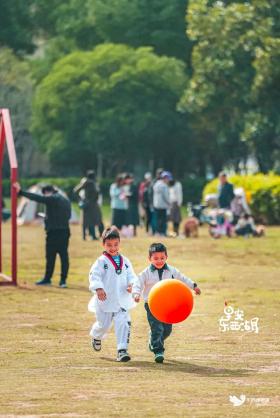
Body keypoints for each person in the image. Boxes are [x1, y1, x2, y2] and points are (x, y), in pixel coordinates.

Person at [132, 243, 201, 363]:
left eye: (162, 258)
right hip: (152, 305)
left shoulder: (172, 270)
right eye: (156, 258)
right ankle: (158, 350)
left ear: (166, 257)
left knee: (167, 330)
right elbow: (138, 283)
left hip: (168, 305)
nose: (159, 261)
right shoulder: (146, 272)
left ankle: (153, 340)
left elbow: (182, 278)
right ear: (150, 259)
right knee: (157, 328)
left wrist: (193, 286)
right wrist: (136, 294)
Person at [88, 226, 137, 362]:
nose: (113, 248)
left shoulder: (125, 261)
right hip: (105, 300)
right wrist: (98, 288)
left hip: (121, 299)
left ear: (119, 243)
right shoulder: (101, 262)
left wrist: (131, 284)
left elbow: (131, 276)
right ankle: (96, 336)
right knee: (103, 325)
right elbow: (94, 276)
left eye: (115, 244)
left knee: (123, 322)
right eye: (109, 245)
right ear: (103, 245)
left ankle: (122, 350)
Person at [14, 182, 71, 287]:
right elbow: (67, 216)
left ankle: (47, 279)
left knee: (50, 257)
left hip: (53, 232)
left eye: (44, 194)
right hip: (64, 231)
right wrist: (48, 217)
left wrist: (21, 192)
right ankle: (63, 281)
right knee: (64, 257)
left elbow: (38, 198)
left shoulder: (52, 198)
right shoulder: (65, 199)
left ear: (47, 192)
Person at [74, 170, 104, 240]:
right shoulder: (87, 182)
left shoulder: (93, 182)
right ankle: (86, 236)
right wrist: (81, 199)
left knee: (93, 220)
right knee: (87, 221)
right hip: (88, 204)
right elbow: (76, 190)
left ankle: (94, 235)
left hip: (93, 204)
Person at [153, 171, 171, 235]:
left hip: (156, 205)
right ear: (165, 178)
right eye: (168, 179)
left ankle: (157, 232)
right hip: (163, 205)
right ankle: (163, 232)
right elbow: (165, 196)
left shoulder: (156, 184)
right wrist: (169, 203)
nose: (168, 180)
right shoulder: (164, 186)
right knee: (163, 220)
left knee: (157, 220)